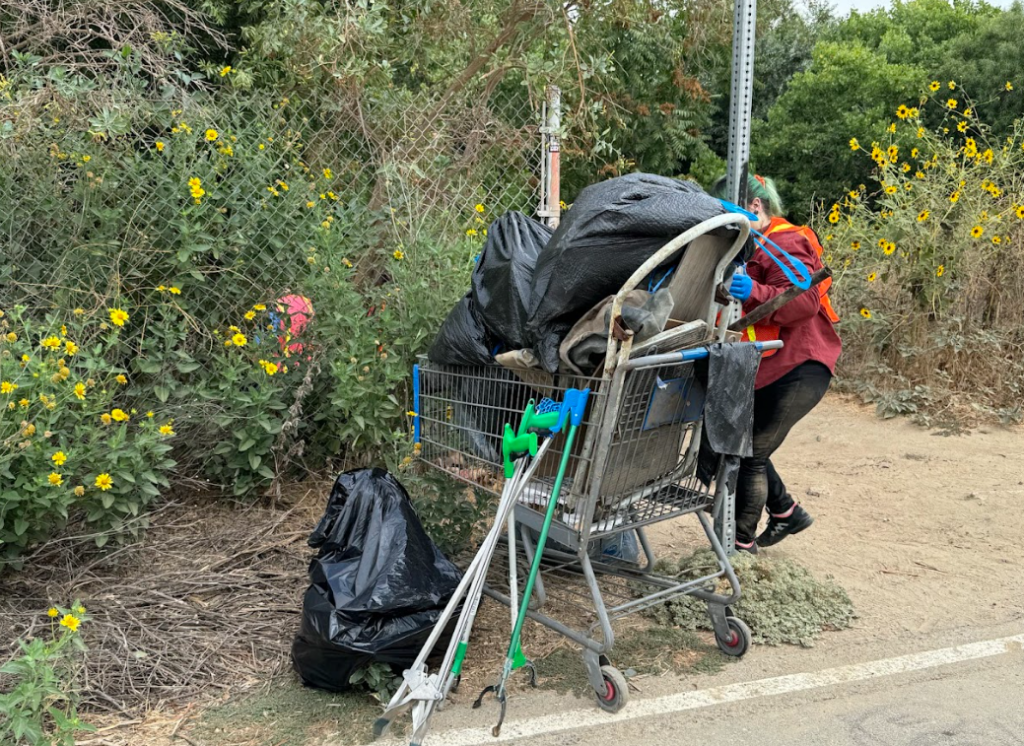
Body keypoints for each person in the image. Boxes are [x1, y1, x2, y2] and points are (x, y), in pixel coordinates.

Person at [710, 173, 841, 553]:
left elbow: (803, 302)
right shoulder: (753, 247)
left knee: (750, 452)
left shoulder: (786, 240)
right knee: (742, 444)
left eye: (729, 213)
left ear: (754, 206)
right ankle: (786, 512)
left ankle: (740, 544)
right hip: (770, 366)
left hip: (801, 364)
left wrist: (755, 291)